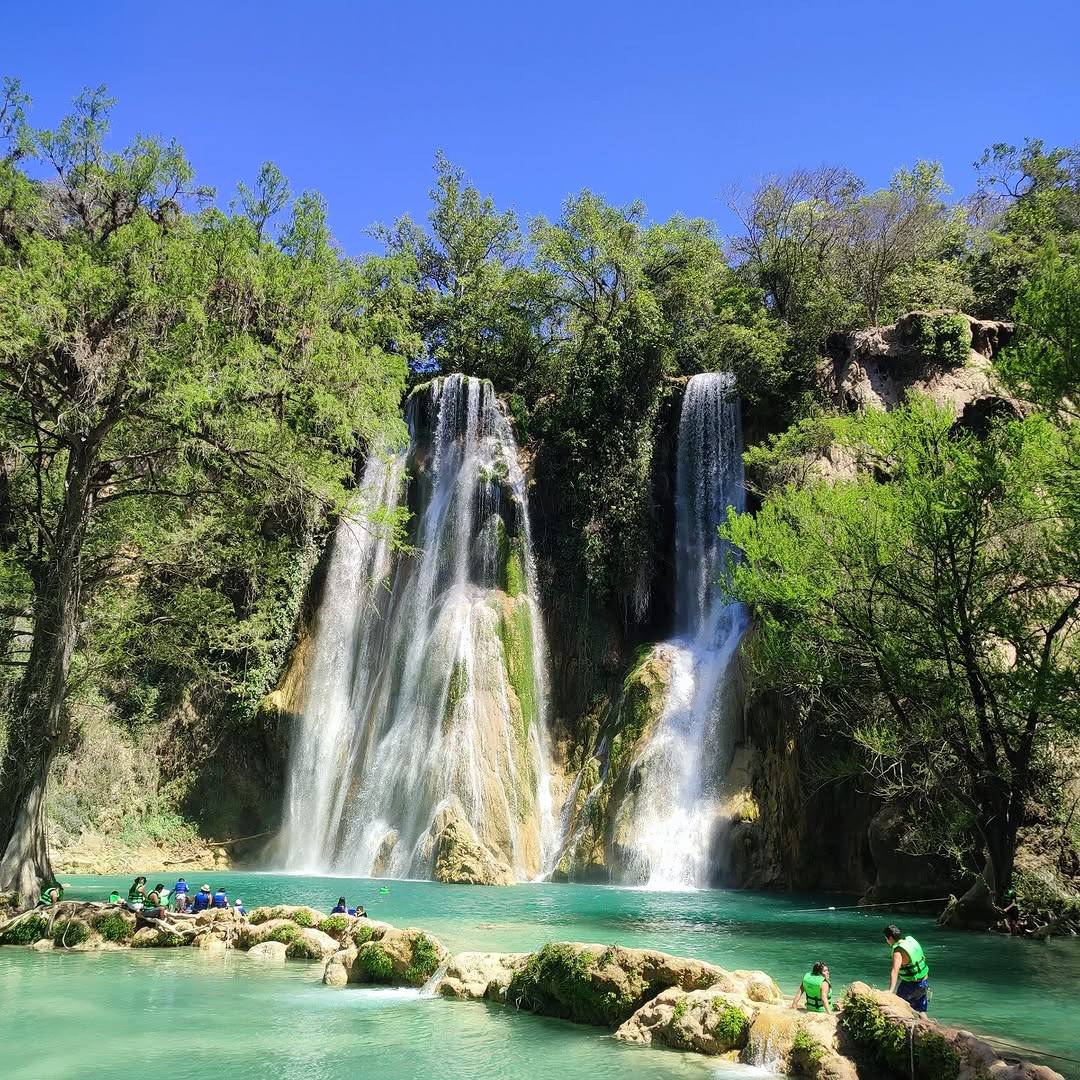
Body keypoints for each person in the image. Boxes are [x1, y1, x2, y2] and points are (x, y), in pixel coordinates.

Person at [884, 924, 930, 1016]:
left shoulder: (898, 951)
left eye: (886, 938)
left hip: (911, 985)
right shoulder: (910, 940)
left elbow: (895, 971)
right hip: (924, 981)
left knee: (898, 1008)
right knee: (921, 1011)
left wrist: (890, 991)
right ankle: (927, 1027)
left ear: (890, 938)